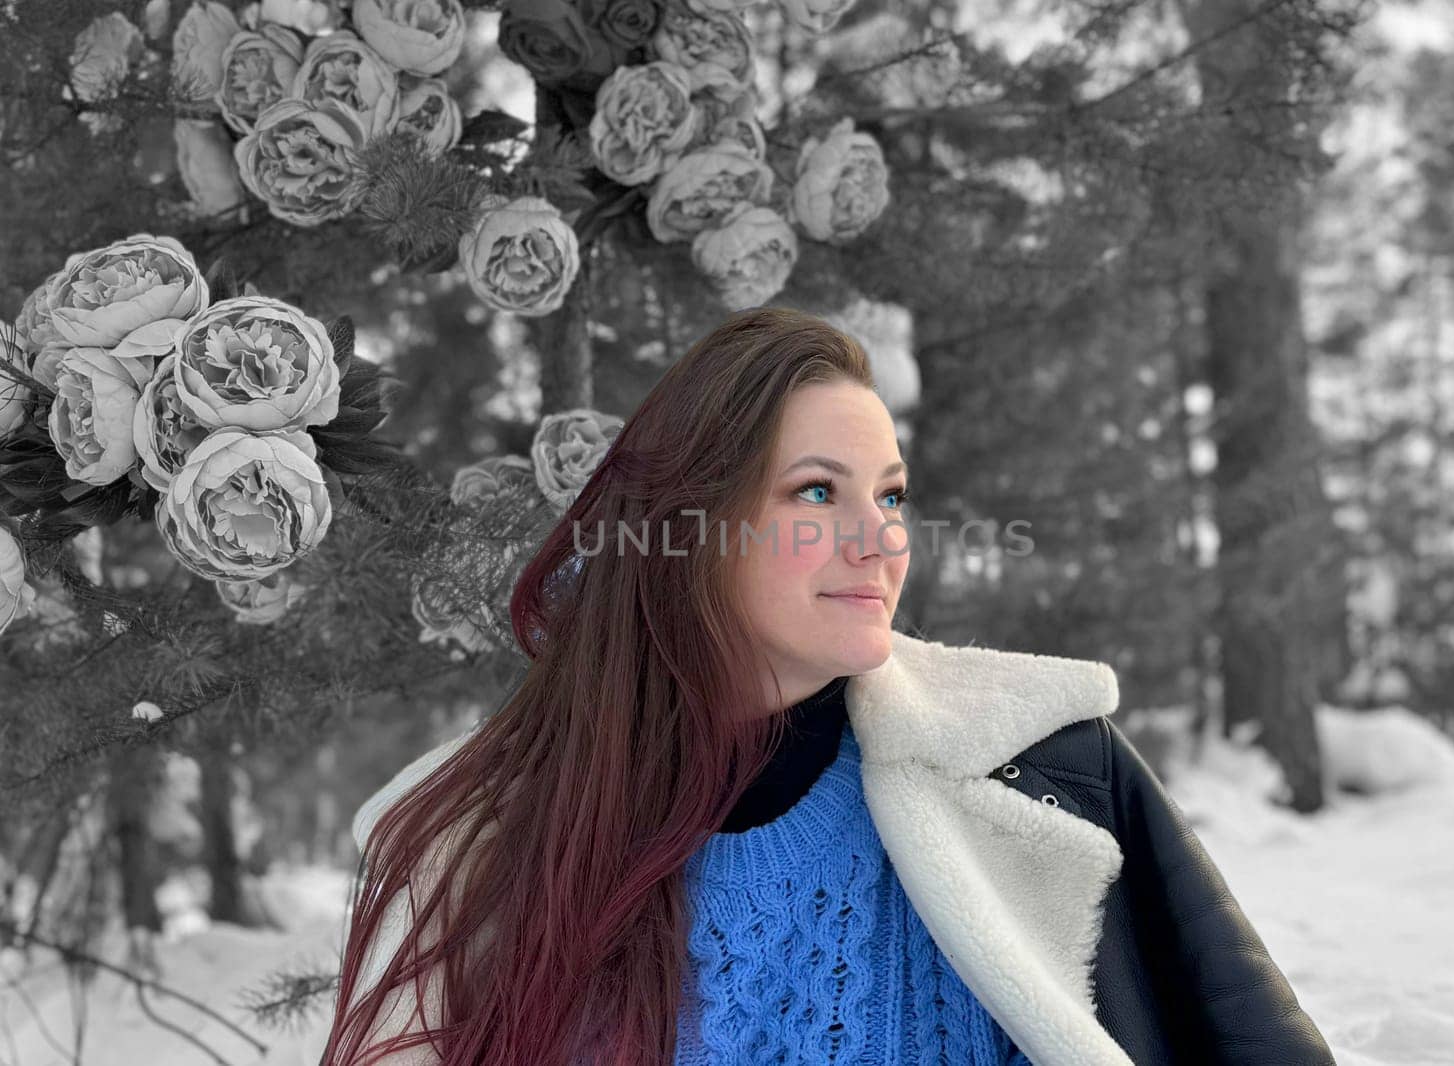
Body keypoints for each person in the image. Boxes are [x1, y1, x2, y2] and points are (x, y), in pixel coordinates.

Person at [321, 307, 1335, 1066]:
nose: (878, 537)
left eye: (890, 493)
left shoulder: (1037, 763)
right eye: (817, 491)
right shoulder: (488, 844)